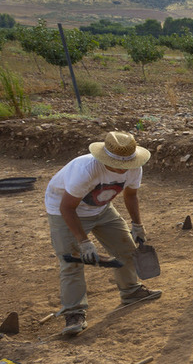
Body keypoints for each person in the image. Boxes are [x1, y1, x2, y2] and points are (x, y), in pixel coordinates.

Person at [45, 131, 162, 336]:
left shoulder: (134, 167)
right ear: (104, 157)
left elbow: (131, 195)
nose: (123, 169)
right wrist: (83, 241)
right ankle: (73, 312)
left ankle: (131, 291)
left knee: (126, 247)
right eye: (118, 164)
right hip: (64, 209)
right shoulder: (86, 169)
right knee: (72, 260)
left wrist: (137, 224)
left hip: (101, 208)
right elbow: (67, 208)